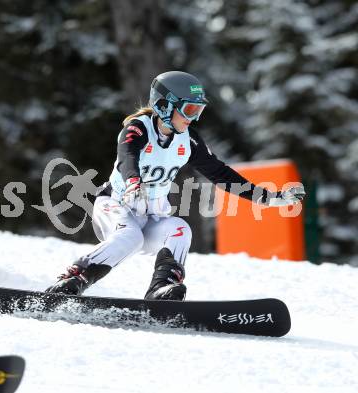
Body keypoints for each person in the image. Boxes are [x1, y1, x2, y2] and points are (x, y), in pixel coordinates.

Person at [46, 71, 305, 300]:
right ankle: (75, 277)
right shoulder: (138, 128)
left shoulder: (188, 139)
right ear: (164, 106)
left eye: (198, 111)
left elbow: (219, 173)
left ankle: (162, 288)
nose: (193, 118)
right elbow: (128, 157)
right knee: (130, 237)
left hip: (150, 216)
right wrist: (133, 180)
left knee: (180, 229)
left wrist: (267, 198)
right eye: (189, 110)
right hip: (114, 206)